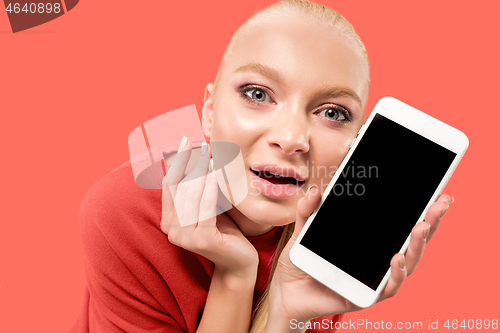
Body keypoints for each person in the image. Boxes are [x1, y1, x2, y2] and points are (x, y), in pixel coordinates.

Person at [69, 1, 454, 332]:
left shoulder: (327, 239)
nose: (291, 138)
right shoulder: (123, 212)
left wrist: (287, 312)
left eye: (333, 113)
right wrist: (236, 276)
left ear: (356, 141)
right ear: (210, 110)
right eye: (258, 94)